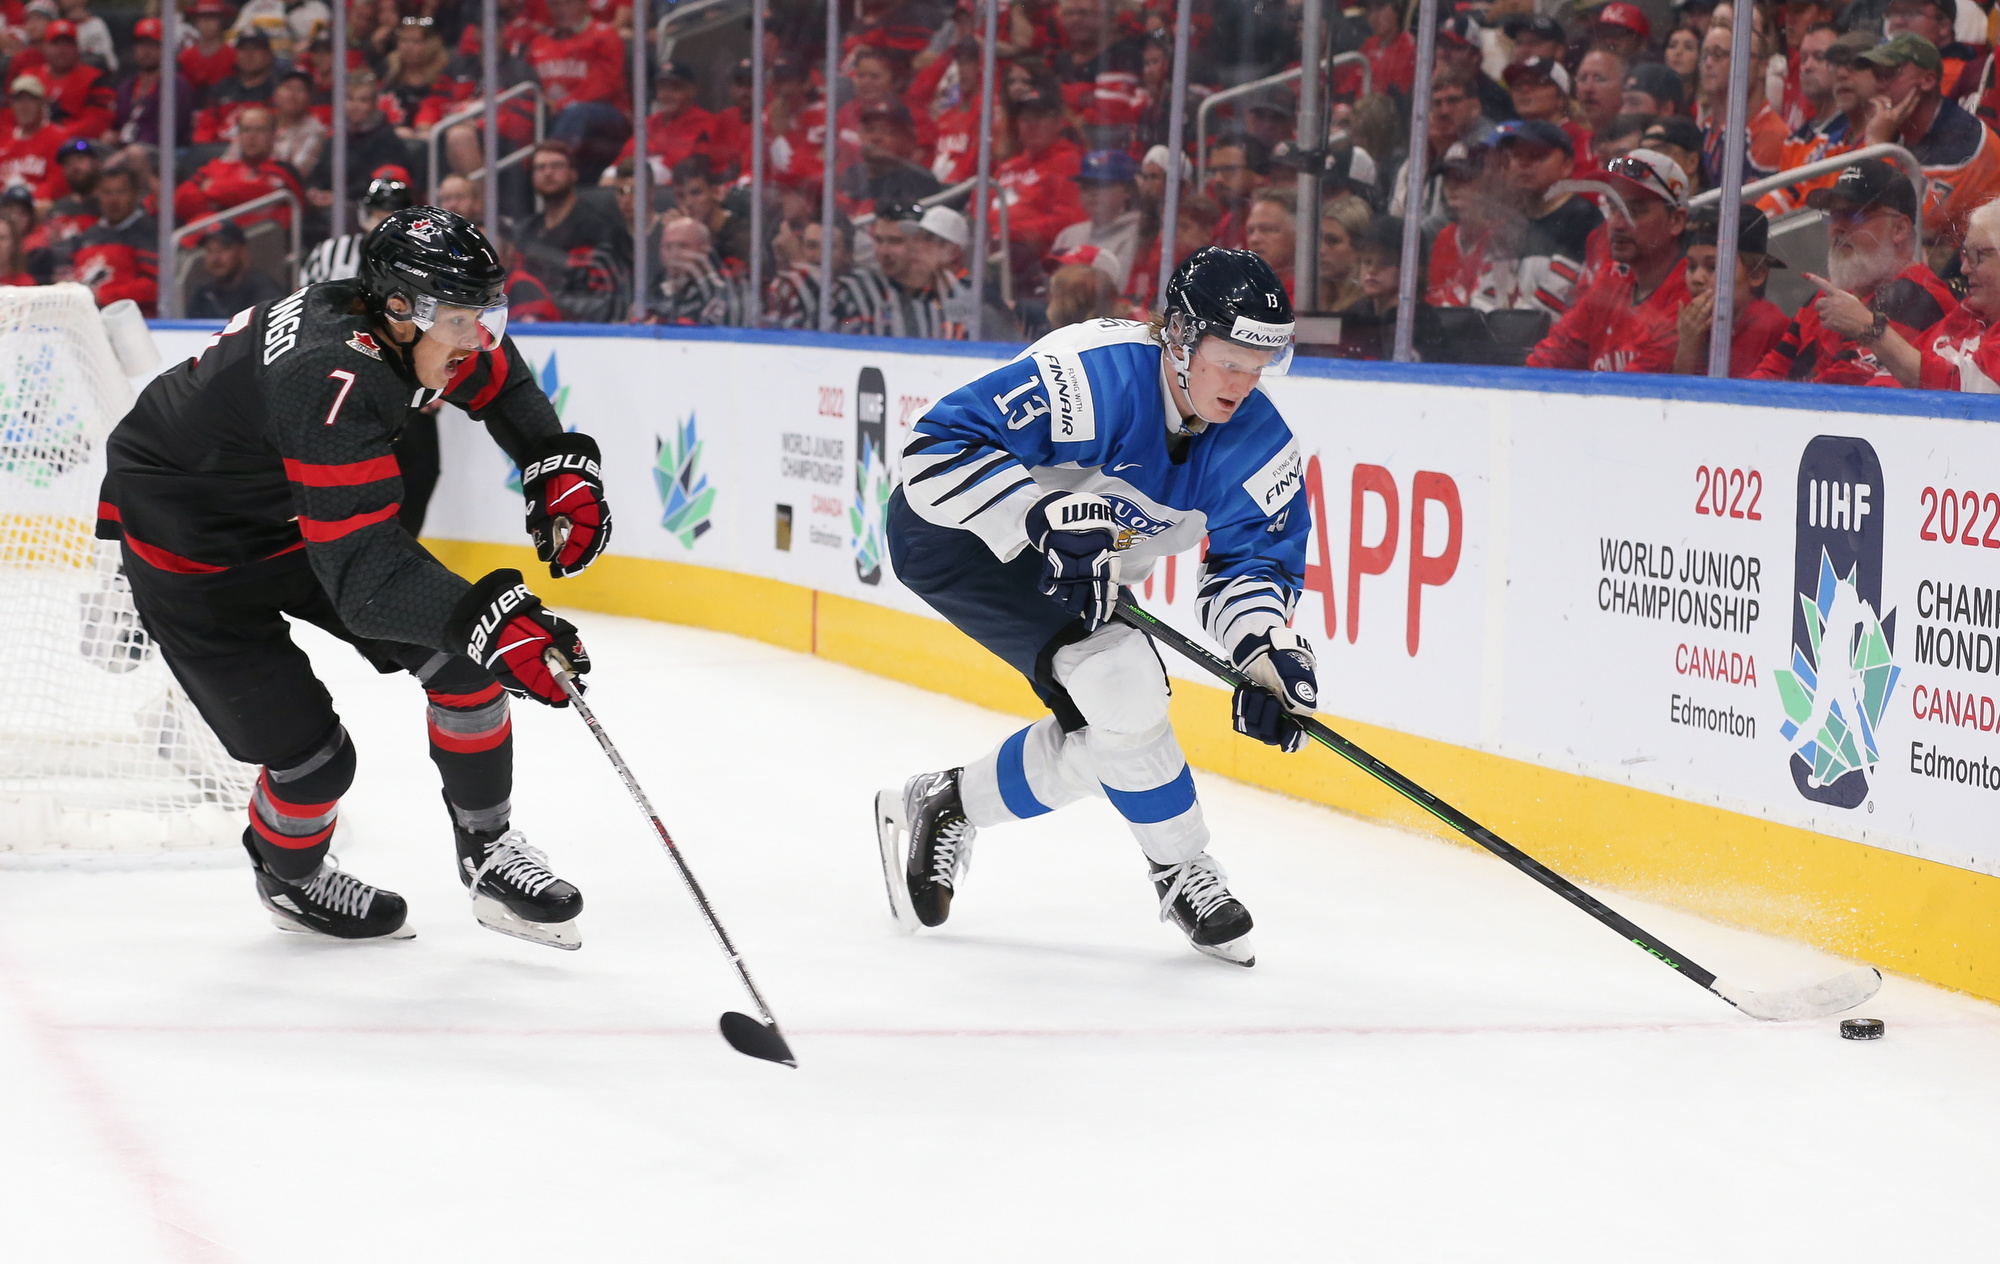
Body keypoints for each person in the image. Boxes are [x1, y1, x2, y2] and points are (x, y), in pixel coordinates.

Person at [93, 207, 612, 945]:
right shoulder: (330, 375)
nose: (477, 339)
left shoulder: (400, 327)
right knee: (314, 763)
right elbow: (365, 579)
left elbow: (500, 379)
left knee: (466, 668)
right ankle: (291, 880)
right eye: (460, 321)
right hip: (193, 549)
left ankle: (489, 853)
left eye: (482, 315)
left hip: (290, 510)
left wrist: (551, 456)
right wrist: (490, 621)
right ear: (400, 311)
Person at [875, 247, 1309, 966]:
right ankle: (1181, 865)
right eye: (1229, 360)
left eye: (1259, 364)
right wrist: (1037, 516)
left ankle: (947, 802)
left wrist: (1262, 651)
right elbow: (934, 451)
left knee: (1118, 714)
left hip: (1075, 570)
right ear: (1179, 336)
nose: (1243, 383)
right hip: (952, 534)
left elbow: (1251, 564)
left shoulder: (1258, 444)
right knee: (1121, 683)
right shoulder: (1095, 375)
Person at [1752, 158, 1957, 382]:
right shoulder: (1825, 294)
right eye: (1834, 215)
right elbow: (1770, 371)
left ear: (1899, 229)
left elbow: (1847, 390)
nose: (1838, 227)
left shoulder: (1918, 297)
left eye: (1855, 215)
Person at [1527, 149, 1692, 373]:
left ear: (1676, 221)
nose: (1617, 224)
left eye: (1635, 211)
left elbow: (1635, 394)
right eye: (1613, 209)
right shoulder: (1611, 280)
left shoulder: (1691, 295)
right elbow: (1550, 356)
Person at [1851, 33, 2000, 264]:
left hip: (1964, 270)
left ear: (1928, 80)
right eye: (1877, 77)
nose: (1879, 88)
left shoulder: (1964, 140)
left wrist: (1877, 148)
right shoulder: (1887, 130)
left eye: (1889, 75)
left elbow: (1912, 226)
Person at [1842, 197, 2000, 388]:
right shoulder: (1967, 314)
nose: (1964, 269)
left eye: (1978, 256)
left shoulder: (1914, 292)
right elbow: (1888, 378)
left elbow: (1962, 387)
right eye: (1965, 255)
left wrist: (1870, 328)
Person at [516, 140, 632, 323]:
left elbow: (609, 302)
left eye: (556, 166)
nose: (548, 173)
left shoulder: (600, 230)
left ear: (573, 173)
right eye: (540, 168)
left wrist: (549, 307)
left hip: (581, 333)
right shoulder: (526, 230)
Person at [1498, 119, 1602, 316]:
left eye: (1537, 155)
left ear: (1566, 165)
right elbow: (1489, 296)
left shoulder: (1585, 219)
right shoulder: (1508, 223)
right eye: (1516, 155)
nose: (1523, 163)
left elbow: (1553, 306)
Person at [1673, 203, 1792, 375]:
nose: (1697, 278)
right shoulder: (1692, 325)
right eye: (1691, 267)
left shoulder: (1770, 326)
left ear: (1756, 274)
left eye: (1713, 267)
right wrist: (1687, 346)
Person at [529, 0, 630, 181]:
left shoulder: (604, 34)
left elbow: (606, 84)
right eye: (555, 5)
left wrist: (562, 104)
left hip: (608, 112)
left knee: (576, 113)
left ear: (584, 5)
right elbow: (530, 84)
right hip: (557, 114)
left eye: (568, 4)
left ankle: (554, 172)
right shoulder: (538, 43)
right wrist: (542, 102)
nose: (562, 10)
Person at [174, 106, 303, 229]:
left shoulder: (284, 170)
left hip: (264, 243)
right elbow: (181, 200)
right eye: (246, 130)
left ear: (273, 135)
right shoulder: (218, 166)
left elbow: (256, 191)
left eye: (259, 129)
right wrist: (229, 196)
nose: (251, 136)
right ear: (238, 136)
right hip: (212, 242)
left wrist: (213, 190)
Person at [995, 90, 1085, 259]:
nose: (1031, 125)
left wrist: (1013, 232)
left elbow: (1071, 220)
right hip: (992, 250)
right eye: (1025, 119)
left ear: (1059, 122)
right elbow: (977, 211)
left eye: (1040, 117)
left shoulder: (1070, 163)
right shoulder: (1007, 167)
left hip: (1034, 257)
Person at [1697, 19, 1787, 183]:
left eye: (1718, 55)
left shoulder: (1772, 135)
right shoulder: (1706, 127)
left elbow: (1752, 207)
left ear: (1761, 67)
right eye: (1704, 56)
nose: (1708, 63)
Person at [618, 57, 723, 188]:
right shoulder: (651, 122)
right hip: (647, 183)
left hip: (679, 188)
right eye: (662, 88)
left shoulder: (705, 121)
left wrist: (648, 153)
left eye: (674, 89)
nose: (666, 95)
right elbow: (626, 156)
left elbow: (676, 162)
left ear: (691, 90)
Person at [1050, 149, 1143, 278]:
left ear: (1128, 190)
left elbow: (1119, 290)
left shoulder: (1140, 233)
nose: (1093, 192)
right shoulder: (1068, 235)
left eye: (1102, 185)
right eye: (1086, 186)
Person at [299, 177, 411, 284]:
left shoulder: (416, 258)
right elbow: (305, 295)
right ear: (364, 216)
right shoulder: (330, 250)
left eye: (393, 220)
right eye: (379, 218)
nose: (386, 227)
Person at [647, 215, 753, 325]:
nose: (674, 255)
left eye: (682, 246)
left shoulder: (724, 293)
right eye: (667, 246)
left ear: (705, 250)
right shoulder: (655, 288)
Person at [27, 18, 113, 144]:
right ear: (45, 46)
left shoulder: (95, 78)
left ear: (77, 48)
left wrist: (57, 135)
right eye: (56, 43)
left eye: (68, 43)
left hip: (74, 145)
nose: (62, 50)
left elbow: (97, 122)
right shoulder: (28, 77)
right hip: (29, 144)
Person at [113, 17, 194, 149]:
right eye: (142, 45)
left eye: (154, 45)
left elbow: (170, 130)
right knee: (83, 147)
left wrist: (130, 147)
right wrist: (111, 134)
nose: (147, 51)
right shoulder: (126, 86)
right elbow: (117, 123)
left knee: (135, 153)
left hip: (165, 154)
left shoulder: (176, 85)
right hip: (124, 148)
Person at [191, 27, 277, 146]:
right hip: (219, 152)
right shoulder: (221, 88)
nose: (249, 54)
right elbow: (204, 130)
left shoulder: (279, 90)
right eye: (243, 49)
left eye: (256, 49)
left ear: (269, 55)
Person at [185, 220, 284, 317]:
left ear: (241, 251)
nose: (215, 258)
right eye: (210, 250)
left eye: (223, 249)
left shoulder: (263, 288)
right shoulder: (203, 293)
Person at [0, 75, 70, 204]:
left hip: (40, 208)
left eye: (30, 100)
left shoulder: (57, 138)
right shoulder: (3, 140)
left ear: (42, 103)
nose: (24, 106)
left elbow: (57, 185)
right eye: (18, 100)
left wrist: (23, 202)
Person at [1243, 186, 1298, 300]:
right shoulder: (1242, 292)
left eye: (1268, 229)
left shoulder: (1311, 296)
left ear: (1299, 235)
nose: (1254, 239)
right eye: (1250, 231)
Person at [1318, 194, 1370, 311]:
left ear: (1360, 247)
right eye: (1317, 239)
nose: (1321, 250)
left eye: (1333, 241)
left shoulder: (1366, 308)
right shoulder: (1309, 297)